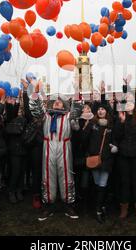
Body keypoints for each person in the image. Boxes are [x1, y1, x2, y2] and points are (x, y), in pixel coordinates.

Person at [28, 80, 81, 221]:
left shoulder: (69, 116)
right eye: (55, 101)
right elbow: (35, 109)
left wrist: (77, 92)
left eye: (60, 101)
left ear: (64, 104)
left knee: (66, 176)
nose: (57, 103)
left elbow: (77, 110)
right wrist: (35, 93)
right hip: (48, 147)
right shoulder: (45, 116)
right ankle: (48, 206)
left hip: (64, 147)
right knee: (47, 175)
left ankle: (69, 205)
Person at [81, 90, 117, 224]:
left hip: (107, 159)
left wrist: (115, 146)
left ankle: (98, 209)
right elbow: (84, 139)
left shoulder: (111, 125)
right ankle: (100, 205)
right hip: (94, 158)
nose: (101, 111)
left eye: (103, 109)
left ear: (107, 111)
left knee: (103, 183)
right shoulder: (93, 123)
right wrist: (86, 125)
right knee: (97, 184)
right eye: (99, 109)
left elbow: (115, 139)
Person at [115, 101, 136, 222]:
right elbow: (117, 136)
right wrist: (121, 122)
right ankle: (124, 209)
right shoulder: (121, 117)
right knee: (124, 182)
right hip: (124, 155)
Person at [21, 79, 44, 209]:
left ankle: (47, 194)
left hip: (49, 147)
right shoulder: (33, 117)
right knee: (36, 172)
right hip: (36, 147)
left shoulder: (47, 114)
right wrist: (26, 91)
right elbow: (27, 106)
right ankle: (36, 196)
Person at [5, 94, 27, 204]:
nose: (19, 111)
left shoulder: (24, 119)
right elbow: (10, 113)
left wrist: (21, 99)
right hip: (14, 150)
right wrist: (11, 104)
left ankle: (19, 190)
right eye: (18, 109)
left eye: (20, 110)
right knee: (15, 171)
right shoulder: (10, 118)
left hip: (23, 149)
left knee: (21, 171)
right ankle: (11, 192)